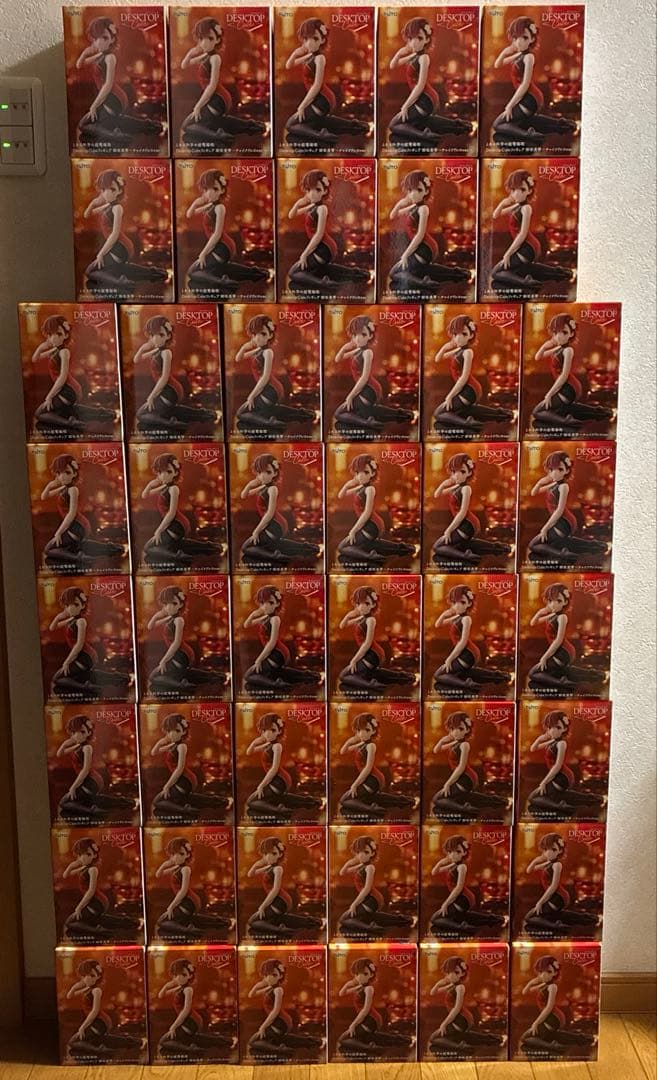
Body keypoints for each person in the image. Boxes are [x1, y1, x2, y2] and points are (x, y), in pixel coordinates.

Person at [74, 15, 163, 151]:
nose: (100, 42)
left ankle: (115, 136)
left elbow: (108, 84)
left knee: (83, 125)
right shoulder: (101, 55)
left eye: (105, 38)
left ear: (112, 40)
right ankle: (147, 125)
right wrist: (85, 52)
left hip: (113, 97)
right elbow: (79, 65)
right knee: (115, 120)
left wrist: (94, 105)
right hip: (107, 97)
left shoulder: (110, 57)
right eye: (97, 38)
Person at [179, 16, 266, 152]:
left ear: (217, 40)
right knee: (216, 121)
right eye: (201, 38)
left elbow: (212, 85)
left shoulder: (215, 58)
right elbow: (184, 65)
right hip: (215, 97)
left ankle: (218, 136)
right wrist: (191, 53)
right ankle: (250, 126)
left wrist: (198, 106)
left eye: (210, 38)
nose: (204, 43)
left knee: (187, 126)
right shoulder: (206, 56)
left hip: (218, 98)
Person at [491, 16, 577, 153]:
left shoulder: (529, 57)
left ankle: (529, 135)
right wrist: (505, 52)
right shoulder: (519, 55)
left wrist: (510, 105)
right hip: (528, 96)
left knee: (497, 124)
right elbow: (497, 64)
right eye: (516, 37)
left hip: (530, 97)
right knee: (525, 121)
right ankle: (560, 124)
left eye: (525, 38)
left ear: (532, 39)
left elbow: (525, 84)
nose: (519, 41)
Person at [283, 19, 369, 151]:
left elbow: (317, 85)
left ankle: (322, 136)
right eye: (306, 38)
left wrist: (302, 106)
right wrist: (295, 53)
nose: (309, 43)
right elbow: (289, 65)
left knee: (290, 125)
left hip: (323, 99)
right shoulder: (309, 57)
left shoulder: (319, 58)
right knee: (319, 121)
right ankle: (354, 125)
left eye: (315, 38)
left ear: (322, 40)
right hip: (319, 98)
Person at [387, 17, 472, 151]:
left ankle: (425, 136)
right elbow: (393, 65)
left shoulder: (424, 58)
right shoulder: (414, 56)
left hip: (425, 98)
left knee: (394, 125)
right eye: (411, 38)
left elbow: (420, 85)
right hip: (423, 97)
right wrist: (399, 53)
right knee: (422, 121)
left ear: (427, 40)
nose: (414, 42)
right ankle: (457, 125)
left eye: (419, 38)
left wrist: (405, 105)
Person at [185, 169, 270, 299]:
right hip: (220, 245)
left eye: (214, 189)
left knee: (192, 272)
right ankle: (254, 273)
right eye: (206, 189)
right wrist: (195, 203)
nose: (209, 193)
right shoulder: (210, 206)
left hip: (223, 246)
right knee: (220, 268)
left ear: (222, 191)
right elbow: (189, 214)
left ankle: (222, 282)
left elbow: (217, 234)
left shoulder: (220, 208)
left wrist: (203, 253)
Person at [83, 170, 168, 299]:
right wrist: (93, 203)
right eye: (104, 189)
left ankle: (120, 282)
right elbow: (87, 214)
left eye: (112, 189)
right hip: (117, 245)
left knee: (90, 271)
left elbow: (115, 234)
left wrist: (101, 253)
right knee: (120, 268)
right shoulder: (108, 205)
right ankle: (152, 273)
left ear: (119, 191)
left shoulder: (117, 208)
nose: (107, 193)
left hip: (120, 246)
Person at [388, 170, 471, 301]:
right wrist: (401, 203)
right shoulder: (414, 207)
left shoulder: (423, 209)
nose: (413, 193)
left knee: (394, 274)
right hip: (424, 246)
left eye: (418, 190)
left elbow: (420, 234)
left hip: (425, 247)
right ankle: (456, 273)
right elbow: (393, 215)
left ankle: (423, 283)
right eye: (410, 190)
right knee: (422, 269)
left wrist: (406, 254)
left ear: (426, 191)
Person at [287, 170, 371, 299]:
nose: (312, 193)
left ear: (325, 191)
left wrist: (305, 254)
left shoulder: (322, 208)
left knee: (293, 273)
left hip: (324, 248)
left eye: (317, 190)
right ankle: (356, 274)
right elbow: (291, 215)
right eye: (309, 190)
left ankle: (327, 284)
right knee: (321, 269)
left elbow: (319, 234)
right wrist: (298, 203)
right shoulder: (312, 206)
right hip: (322, 246)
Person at [490, 169, 573, 296]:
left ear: (529, 191)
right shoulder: (517, 206)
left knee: (495, 273)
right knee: (525, 268)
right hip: (525, 245)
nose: (517, 193)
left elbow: (522, 234)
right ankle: (559, 272)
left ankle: (526, 282)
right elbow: (495, 215)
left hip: (528, 247)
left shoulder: (526, 208)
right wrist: (502, 203)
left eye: (522, 189)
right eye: (513, 190)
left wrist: (508, 253)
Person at [132, 314, 218, 437]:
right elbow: (136, 360)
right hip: (165, 389)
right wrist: (142, 348)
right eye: (152, 335)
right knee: (169, 410)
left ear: (168, 336)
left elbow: (164, 377)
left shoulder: (166, 352)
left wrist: (151, 396)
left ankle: (171, 424)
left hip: (170, 389)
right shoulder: (157, 350)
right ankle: (202, 414)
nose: (156, 339)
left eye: (160, 335)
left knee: (141, 414)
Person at [31, 314, 116, 436]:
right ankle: (102, 413)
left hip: (68, 389)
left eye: (58, 334)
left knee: (39, 414)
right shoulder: (56, 350)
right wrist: (40, 348)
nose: (53, 338)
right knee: (68, 410)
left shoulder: (64, 352)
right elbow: (35, 359)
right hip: (67, 388)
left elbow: (63, 376)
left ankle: (71, 423)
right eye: (50, 334)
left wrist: (49, 396)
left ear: (65, 335)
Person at [332, 315, 416, 436]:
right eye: (355, 335)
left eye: (363, 335)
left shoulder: (367, 352)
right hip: (366, 388)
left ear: (370, 336)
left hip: (369, 388)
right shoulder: (358, 350)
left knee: (339, 413)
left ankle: (367, 422)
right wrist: (344, 348)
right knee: (370, 409)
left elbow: (364, 377)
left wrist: (350, 396)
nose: (358, 338)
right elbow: (338, 359)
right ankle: (400, 413)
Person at [234, 314, 316, 437]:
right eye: (255, 334)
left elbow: (265, 377)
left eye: (263, 334)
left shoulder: (268, 352)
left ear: (270, 336)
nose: (258, 338)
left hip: (270, 388)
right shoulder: (259, 350)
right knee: (271, 409)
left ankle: (269, 423)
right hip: (267, 387)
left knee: (241, 413)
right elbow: (238, 358)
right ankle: (301, 413)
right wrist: (243, 347)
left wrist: (251, 396)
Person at [40, 454, 124, 573]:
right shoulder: (64, 488)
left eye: (67, 472)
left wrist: (59, 532)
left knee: (48, 550)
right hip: (75, 524)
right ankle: (110, 548)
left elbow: (71, 513)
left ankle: (80, 558)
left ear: (74, 474)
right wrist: (49, 485)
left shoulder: (73, 489)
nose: (62, 476)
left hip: (77, 525)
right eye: (59, 473)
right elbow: (44, 496)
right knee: (76, 545)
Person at [432, 315, 515, 435]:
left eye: (464, 334)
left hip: (469, 389)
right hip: (467, 388)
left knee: (438, 413)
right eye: (455, 334)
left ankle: (467, 423)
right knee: (465, 410)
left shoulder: (468, 352)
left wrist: (450, 396)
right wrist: (445, 347)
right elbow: (438, 359)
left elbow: (464, 377)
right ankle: (499, 414)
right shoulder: (458, 350)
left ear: (471, 335)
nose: (459, 338)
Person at [531, 314, 614, 434]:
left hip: (569, 387)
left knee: (537, 412)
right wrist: (545, 345)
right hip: (565, 386)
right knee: (566, 408)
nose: (559, 336)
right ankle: (599, 411)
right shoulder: (558, 348)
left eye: (564, 332)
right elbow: (538, 357)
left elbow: (564, 375)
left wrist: (549, 394)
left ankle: (567, 421)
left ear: (571, 334)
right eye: (556, 332)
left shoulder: (568, 350)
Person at [140, 453, 224, 571]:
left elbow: (171, 512)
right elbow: (145, 495)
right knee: (176, 544)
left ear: (175, 473)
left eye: (168, 471)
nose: (164, 475)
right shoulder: (165, 487)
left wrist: (159, 530)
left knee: (148, 548)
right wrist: (150, 485)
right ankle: (209, 547)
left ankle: (179, 557)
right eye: (160, 472)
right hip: (174, 523)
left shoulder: (174, 489)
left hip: (176, 524)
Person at [239, 454, 321, 570]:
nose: (263, 476)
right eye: (260, 472)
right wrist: (249, 485)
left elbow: (270, 512)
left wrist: (256, 531)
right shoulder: (264, 487)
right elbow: (243, 495)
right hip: (273, 522)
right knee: (276, 543)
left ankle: (274, 556)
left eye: (268, 472)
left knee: (245, 548)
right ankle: (306, 547)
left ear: (275, 473)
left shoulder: (273, 489)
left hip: (274, 523)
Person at [431, 453, 512, 570]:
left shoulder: (466, 488)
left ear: (469, 473)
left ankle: (466, 556)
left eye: (462, 471)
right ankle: (497, 547)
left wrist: (449, 530)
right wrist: (444, 484)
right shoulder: (456, 487)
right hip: (465, 522)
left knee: (437, 547)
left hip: (467, 523)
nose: (457, 475)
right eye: (454, 471)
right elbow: (437, 494)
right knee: (464, 544)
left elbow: (463, 512)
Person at [50, 586, 131, 701]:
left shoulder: (81, 621)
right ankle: (118, 677)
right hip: (82, 655)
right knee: (84, 675)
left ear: (82, 606)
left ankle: (87, 687)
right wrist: (59, 616)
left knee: (57, 679)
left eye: (75, 605)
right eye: (67, 605)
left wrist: (67, 662)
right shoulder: (71, 620)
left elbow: (79, 644)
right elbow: (52, 627)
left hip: (85, 656)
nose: (70, 608)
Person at [528, 450, 608, 567]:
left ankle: (563, 554)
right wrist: (540, 483)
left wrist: (545, 528)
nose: (555, 473)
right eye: (552, 469)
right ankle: (593, 545)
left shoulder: (564, 486)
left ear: (567, 471)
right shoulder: (554, 484)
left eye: (560, 469)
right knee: (562, 542)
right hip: (559, 520)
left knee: (533, 545)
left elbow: (559, 510)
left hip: (564, 521)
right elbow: (534, 493)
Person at [149, 711, 232, 824]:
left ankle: (186, 810)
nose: (172, 734)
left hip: (185, 779)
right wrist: (162, 741)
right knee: (186, 798)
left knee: (157, 802)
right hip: (182, 779)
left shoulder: (182, 746)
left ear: (183, 732)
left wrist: (167, 786)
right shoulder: (173, 745)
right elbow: (154, 752)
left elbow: (179, 768)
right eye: (169, 731)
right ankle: (219, 801)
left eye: (177, 731)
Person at [337, 454, 416, 570]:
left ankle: (370, 556)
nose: (360, 476)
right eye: (358, 472)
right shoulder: (361, 487)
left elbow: (367, 512)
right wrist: (347, 485)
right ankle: (402, 547)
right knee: (370, 544)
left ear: (373, 473)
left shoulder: (370, 489)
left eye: (365, 472)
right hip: (370, 524)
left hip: (371, 525)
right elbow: (341, 495)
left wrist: (353, 530)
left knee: (342, 547)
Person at [147, 586, 227, 699]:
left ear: (180, 605)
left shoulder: (179, 620)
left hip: (181, 653)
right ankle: (213, 676)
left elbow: (176, 642)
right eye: (166, 604)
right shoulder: (170, 618)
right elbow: (150, 626)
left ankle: (183, 686)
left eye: (174, 603)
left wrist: (164, 660)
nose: (169, 607)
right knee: (182, 673)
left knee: (153, 677)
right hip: (177, 653)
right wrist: (158, 615)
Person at [242, 585, 323, 695]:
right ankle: (306, 675)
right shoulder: (266, 617)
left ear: (277, 604)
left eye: (270, 603)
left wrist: (259, 659)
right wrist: (252, 615)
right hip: (274, 652)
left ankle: (276, 684)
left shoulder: (275, 619)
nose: (266, 606)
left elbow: (272, 642)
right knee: (277, 672)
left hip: (277, 652)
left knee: (248, 675)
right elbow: (246, 625)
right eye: (263, 603)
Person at [432, 584, 511, 696]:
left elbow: (463, 642)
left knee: (438, 675)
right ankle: (497, 676)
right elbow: (438, 624)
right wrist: (444, 615)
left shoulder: (466, 619)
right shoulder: (457, 617)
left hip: (468, 653)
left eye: (462, 602)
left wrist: (450, 658)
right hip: (465, 652)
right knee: (464, 672)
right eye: (454, 602)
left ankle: (467, 684)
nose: (457, 606)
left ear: (469, 604)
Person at [527, 582, 606, 694]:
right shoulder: (553, 615)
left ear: (565, 602)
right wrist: (540, 612)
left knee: (533, 673)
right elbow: (533, 623)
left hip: (563, 651)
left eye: (558, 601)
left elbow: (558, 640)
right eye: (550, 601)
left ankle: (562, 683)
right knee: (563, 670)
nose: (553, 605)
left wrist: (544, 657)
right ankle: (593, 674)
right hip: (561, 650)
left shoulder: (562, 617)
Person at [57, 713, 136, 824]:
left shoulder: (87, 748)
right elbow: (60, 753)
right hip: (86, 779)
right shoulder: (79, 746)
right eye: (74, 732)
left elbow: (85, 769)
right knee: (92, 799)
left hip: (91, 780)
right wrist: (65, 744)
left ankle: (93, 811)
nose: (77, 735)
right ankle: (124, 801)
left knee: (64, 803)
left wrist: (73, 787)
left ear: (88, 733)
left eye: (82, 732)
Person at [526, 710, 606, 819]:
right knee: (560, 795)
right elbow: (533, 748)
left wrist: (544, 782)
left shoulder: (562, 743)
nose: (553, 730)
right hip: (559, 774)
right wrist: (540, 739)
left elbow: (558, 765)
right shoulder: (553, 741)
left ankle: (561, 806)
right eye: (550, 727)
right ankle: (593, 799)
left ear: (564, 729)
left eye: (558, 727)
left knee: (532, 797)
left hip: (563, 776)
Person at [338, 586, 417, 696]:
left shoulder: (371, 620)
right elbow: (342, 625)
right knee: (371, 673)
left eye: (366, 603)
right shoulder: (361, 618)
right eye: (359, 603)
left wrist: (354, 660)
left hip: (373, 654)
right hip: (369, 653)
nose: (361, 607)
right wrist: (348, 615)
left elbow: (367, 643)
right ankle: (402, 676)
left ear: (373, 605)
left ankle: (372, 685)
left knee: (343, 676)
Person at [338, 712, 417, 822]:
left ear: (373, 731)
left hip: (373, 779)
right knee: (369, 797)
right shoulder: (361, 744)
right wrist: (350, 741)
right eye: (359, 730)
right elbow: (343, 751)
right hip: (369, 778)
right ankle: (401, 800)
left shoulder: (371, 746)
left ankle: (372, 809)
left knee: (344, 800)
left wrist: (355, 784)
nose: (362, 733)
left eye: (366, 730)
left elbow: (368, 767)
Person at [430, 711, 510, 821]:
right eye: (453, 728)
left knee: (437, 799)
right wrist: (442, 740)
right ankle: (495, 800)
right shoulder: (455, 743)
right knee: (465, 796)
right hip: (464, 776)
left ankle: (465, 809)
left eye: (460, 729)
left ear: (467, 730)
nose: (456, 732)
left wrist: (448, 783)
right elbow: (436, 750)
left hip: (465, 777)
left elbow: (461, 767)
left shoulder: (464, 745)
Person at [245, 711, 323, 822]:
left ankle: (279, 810)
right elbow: (249, 752)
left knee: (251, 802)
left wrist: (261, 785)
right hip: (278, 778)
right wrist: (255, 742)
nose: (268, 734)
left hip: (279, 779)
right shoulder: (268, 744)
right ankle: (308, 801)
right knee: (280, 797)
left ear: (279, 731)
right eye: (265, 730)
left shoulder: (277, 746)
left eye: (272, 730)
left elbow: (274, 768)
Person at [61, 836, 141, 942]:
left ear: (94, 855)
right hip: (93, 900)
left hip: (97, 901)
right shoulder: (84, 867)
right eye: (80, 855)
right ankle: (129, 922)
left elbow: (91, 890)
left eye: (88, 854)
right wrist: (72, 865)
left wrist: (79, 907)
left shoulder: (93, 869)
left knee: (69, 923)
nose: (83, 858)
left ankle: (100, 931)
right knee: (97, 919)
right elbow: (66, 875)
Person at [154, 836, 235, 941]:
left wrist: (171, 906)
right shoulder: (176, 868)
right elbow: (158, 875)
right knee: (189, 918)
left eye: (181, 854)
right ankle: (224, 921)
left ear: (187, 855)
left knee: (161, 921)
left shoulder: (185, 869)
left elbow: (183, 890)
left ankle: (190, 930)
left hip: (189, 901)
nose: (176, 857)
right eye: (173, 854)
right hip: (184, 900)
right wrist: (164, 865)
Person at [522, 833, 601, 937]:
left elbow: (553, 886)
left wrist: (540, 902)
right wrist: (537, 859)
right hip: (554, 896)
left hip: (558, 897)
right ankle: (588, 918)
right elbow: (529, 870)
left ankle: (557, 926)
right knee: (557, 915)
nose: (549, 852)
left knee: (529, 917)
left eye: (553, 849)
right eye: (546, 849)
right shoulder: (548, 863)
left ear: (559, 851)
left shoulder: (557, 865)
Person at [157, 958, 237, 1061]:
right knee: (195, 1038)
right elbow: (161, 996)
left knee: (163, 1041)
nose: (179, 978)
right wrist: (166, 986)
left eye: (183, 975)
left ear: (190, 976)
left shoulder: (188, 989)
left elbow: (186, 1010)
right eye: (176, 975)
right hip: (187, 1020)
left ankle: (192, 1050)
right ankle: (229, 1041)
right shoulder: (179, 988)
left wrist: (174, 1026)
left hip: (191, 1021)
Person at [337, 835, 415, 939]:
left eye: (366, 852)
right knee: (369, 916)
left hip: (372, 898)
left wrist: (354, 904)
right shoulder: (361, 866)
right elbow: (342, 872)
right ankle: (401, 919)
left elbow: (367, 888)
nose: (361, 855)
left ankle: (371, 928)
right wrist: (349, 862)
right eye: (359, 852)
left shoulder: (370, 867)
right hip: (368, 898)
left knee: (343, 919)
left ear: (372, 853)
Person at [246, 836, 324, 940]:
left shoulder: (278, 869)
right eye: (266, 853)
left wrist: (263, 906)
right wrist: (256, 864)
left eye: (274, 853)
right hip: (279, 899)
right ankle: (309, 921)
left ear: (280, 855)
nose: (269, 857)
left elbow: (275, 889)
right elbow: (250, 874)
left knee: (252, 921)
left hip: (280, 900)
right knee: (276, 919)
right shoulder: (269, 867)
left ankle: (281, 930)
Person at [247, 958, 325, 1061]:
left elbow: (275, 1010)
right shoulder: (270, 987)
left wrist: (263, 1026)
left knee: (253, 1042)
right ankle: (311, 1041)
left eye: (274, 975)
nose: (269, 978)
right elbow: (251, 995)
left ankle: (280, 1050)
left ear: (280, 976)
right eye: (267, 975)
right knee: (281, 1038)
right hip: (277, 1020)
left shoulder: (278, 990)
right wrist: (260, 986)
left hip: (281, 1021)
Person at [429, 834, 508, 937]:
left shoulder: (462, 867)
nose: (453, 855)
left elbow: (459, 887)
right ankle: (493, 918)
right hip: (461, 896)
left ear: (464, 853)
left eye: (458, 851)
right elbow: (434, 872)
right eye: (450, 851)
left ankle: (463, 927)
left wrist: (446, 903)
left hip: (463, 898)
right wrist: (440, 863)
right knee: (462, 916)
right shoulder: (454, 865)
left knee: (435, 919)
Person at [66, 959, 143, 1062]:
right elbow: (70, 996)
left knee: (73, 1042)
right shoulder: (88, 989)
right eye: (84, 975)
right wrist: (75, 987)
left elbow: (95, 1011)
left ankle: (101, 1051)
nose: (87, 978)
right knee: (101, 1039)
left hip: (100, 1022)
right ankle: (133, 1041)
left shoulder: (96, 990)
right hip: (96, 1021)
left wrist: (83, 1027)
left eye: (92, 976)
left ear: (98, 977)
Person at [427, 956, 506, 1057]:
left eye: (455, 972)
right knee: (462, 1036)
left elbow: (457, 1008)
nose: (450, 975)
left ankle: (461, 1047)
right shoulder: (452, 985)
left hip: (461, 1018)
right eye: (448, 972)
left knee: (433, 1038)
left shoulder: (460, 987)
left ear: (462, 974)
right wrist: (438, 985)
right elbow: (433, 993)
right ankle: (492, 1038)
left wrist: (444, 1023)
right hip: (458, 1017)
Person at [337, 958, 415, 1059]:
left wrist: (353, 1024)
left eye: (365, 974)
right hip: (365, 1018)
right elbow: (341, 993)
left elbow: (366, 1010)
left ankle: (373, 1049)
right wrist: (351, 984)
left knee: (343, 1040)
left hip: (371, 1019)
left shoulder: (369, 989)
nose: (360, 977)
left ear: (371, 975)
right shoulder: (359, 986)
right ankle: (405, 1040)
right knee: (371, 1037)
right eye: (357, 974)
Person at [520, 955, 597, 1056]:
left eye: (549, 972)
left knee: (524, 1038)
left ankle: (553, 1047)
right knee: (552, 1035)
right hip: (550, 1016)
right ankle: (582, 1038)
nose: (544, 975)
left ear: (555, 973)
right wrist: (531, 982)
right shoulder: (544, 985)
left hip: (553, 1017)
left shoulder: (552, 986)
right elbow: (525, 992)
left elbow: (549, 1007)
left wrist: (536, 1023)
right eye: (541, 971)